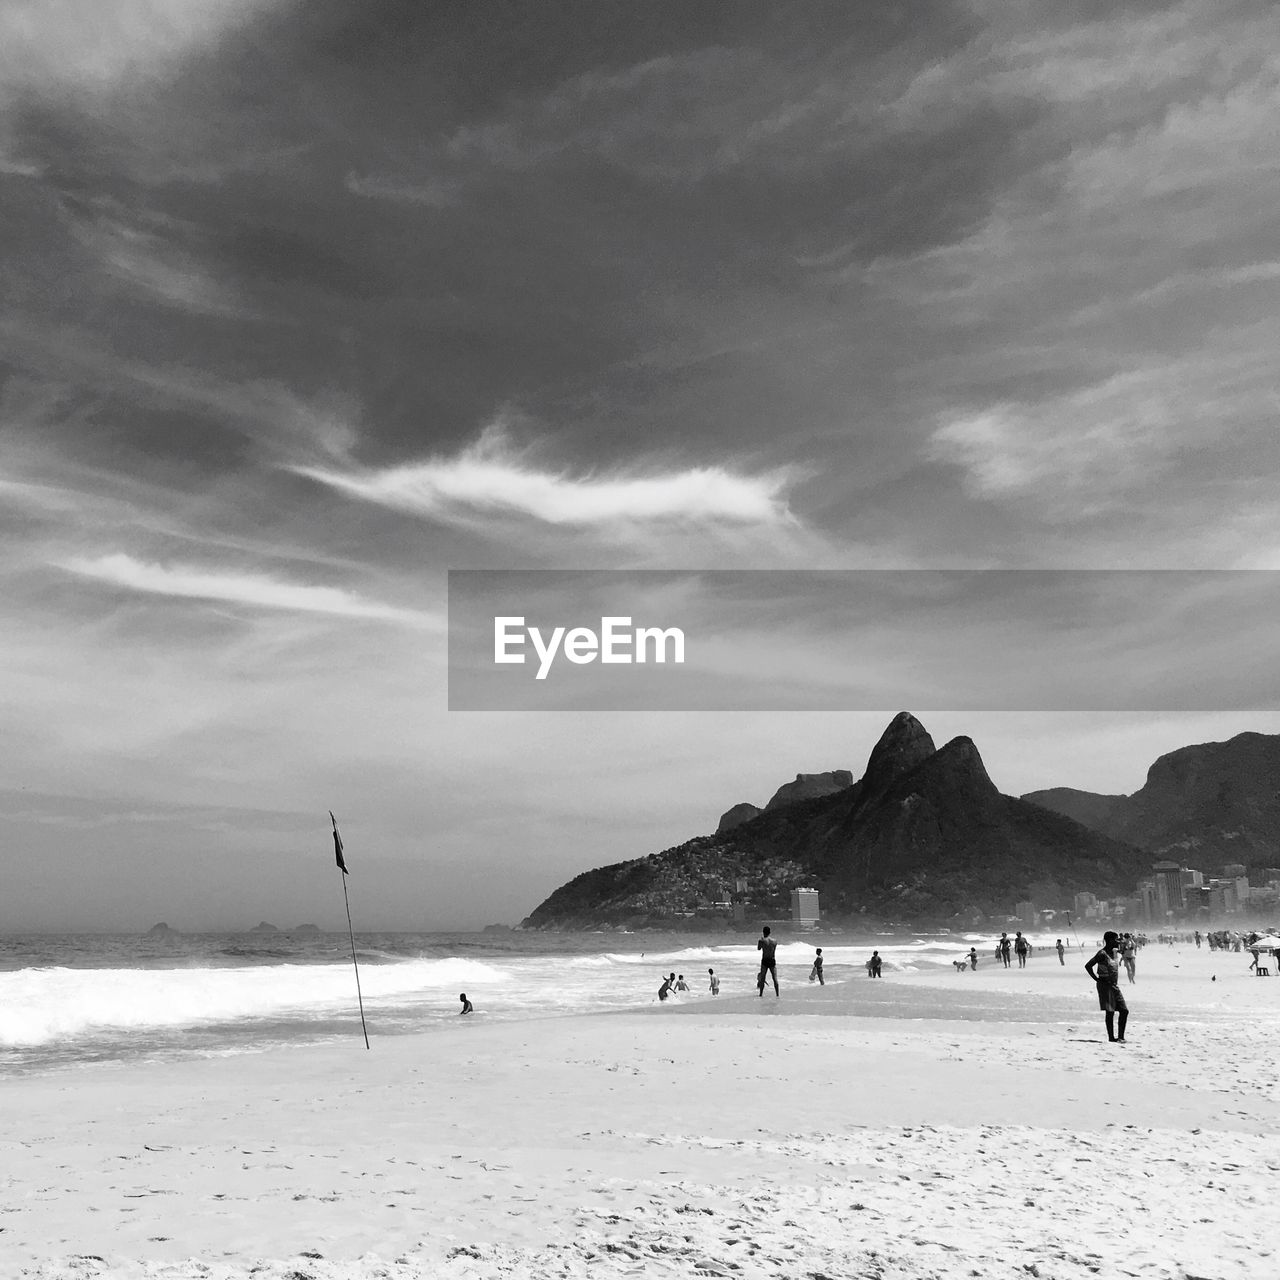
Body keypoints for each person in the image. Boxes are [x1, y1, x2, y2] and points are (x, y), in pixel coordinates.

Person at [1084, 930, 1129, 1044]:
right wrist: (1096, 978)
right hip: (1105, 985)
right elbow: (1088, 965)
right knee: (1110, 1012)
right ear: (1109, 941)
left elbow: (1124, 950)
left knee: (1124, 1011)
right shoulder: (1102, 954)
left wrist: (1122, 943)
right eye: (1115, 939)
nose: (1117, 941)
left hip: (1113, 985)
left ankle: (1120, 1037)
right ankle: (1112, 1037)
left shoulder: (1114, 952)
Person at [757, 926, 779, 997]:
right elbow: (773, 950)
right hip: (772, 960)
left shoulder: (762, 940)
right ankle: (777, 994)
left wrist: (760, 940)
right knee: (775, 978)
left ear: (763, 932)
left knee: (763, 978)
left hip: (765, 960)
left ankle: (761, 994)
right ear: (769, 932)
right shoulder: (774, 941)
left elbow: (759, 948)